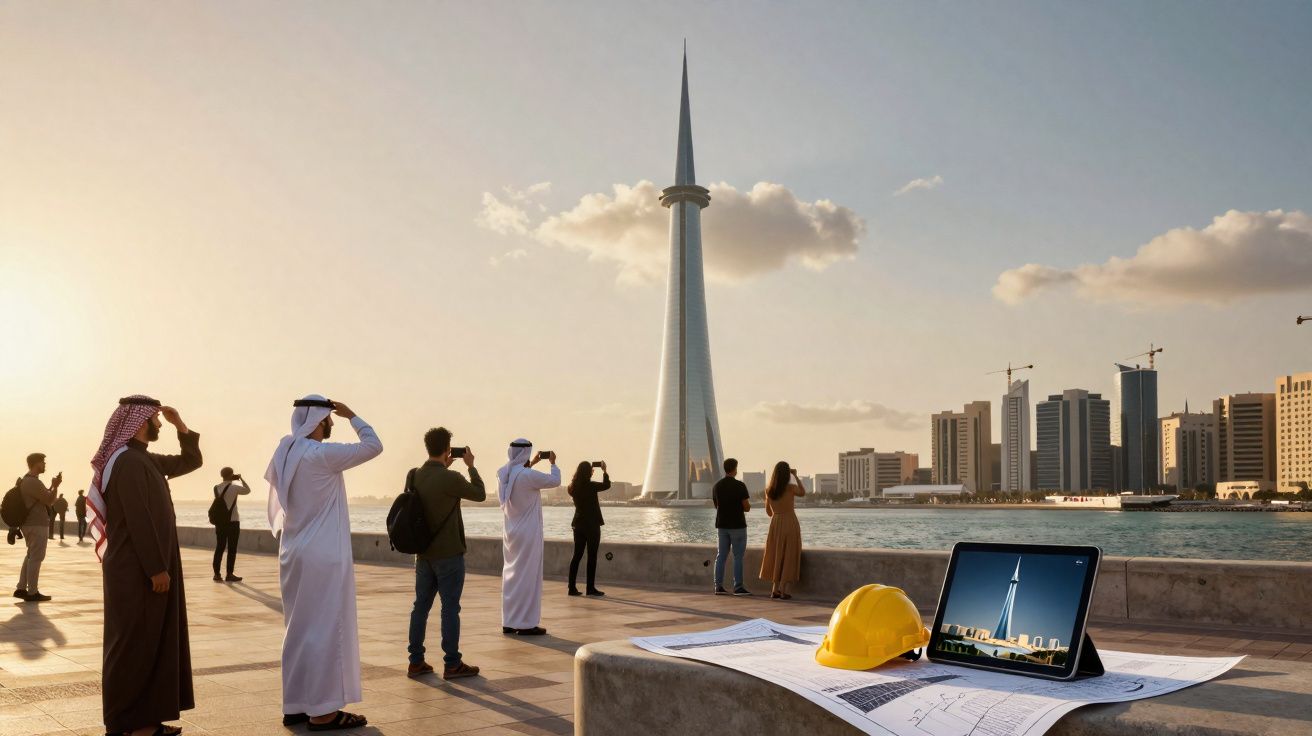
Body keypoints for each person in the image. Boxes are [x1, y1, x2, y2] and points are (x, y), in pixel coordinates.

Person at [89, 396, 202, 736]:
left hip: (142, 569)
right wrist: (156, 568)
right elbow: (139, 519)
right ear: (139, 422)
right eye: (155, 419)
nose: (159, 424)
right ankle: (128, 724)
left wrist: (182, 427)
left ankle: (145, 721)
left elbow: (190, 461)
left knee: (150, 643)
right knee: (133, 646)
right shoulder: (128, 463)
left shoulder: (143, 459)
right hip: (136, 570)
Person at [266, 396, 381, 731]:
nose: (331, 422)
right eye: (329, 418)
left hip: (292, 553)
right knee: (325, 630)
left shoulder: (286, 451)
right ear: (318, 419)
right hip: (322, 556)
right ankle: (324, 712)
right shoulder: (320, 455)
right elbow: (373, 445)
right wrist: (353, 415)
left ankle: (296, 705)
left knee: (299, 630)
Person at [406, 427, 484, 680]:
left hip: (422, 554)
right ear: (448, 449)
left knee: (420, 607)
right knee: (450, 608)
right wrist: (471, 466)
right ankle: (452, 664)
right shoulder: (451, 479)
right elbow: (480, 494)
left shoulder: (415, 475)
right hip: (449, 553)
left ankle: (416, 661)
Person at [497, 439, 559, 636]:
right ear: (526, 452)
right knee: (528, 578)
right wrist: (553, 463)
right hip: (528, 534)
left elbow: (521, 474)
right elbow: (554, 480)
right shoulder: (528, 476)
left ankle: (509, 621)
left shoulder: (504, 474)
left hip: (511, 533)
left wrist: (531, 462)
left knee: (511, 577)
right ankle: (525, 623)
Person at [15, 452, 58, 602]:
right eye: (43, 462)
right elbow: (50, 500)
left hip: (29, 524)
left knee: (30, 556)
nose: (45, 465)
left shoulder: (26, 481)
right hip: (37, 524)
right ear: (36, 463)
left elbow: (42, 495)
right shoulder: (33, 482)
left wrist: (52, 486)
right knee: (37, 557)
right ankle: (32, 592)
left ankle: (21, 588)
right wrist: (56, 487)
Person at [759, 461, 805, 600]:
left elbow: (768, 512)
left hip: (775, 523)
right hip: (790, 521)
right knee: (788, 554)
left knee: (776, 554)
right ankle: (783, 591)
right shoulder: (790, 488)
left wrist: (777, 512)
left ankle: (774, 589)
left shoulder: (769, 490)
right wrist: (796, 476)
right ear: (787, 474)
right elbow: (802, 492)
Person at [566, 460, 610, 597]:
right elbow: (606, 485)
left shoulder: (572, 487)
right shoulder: (591, 486)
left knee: (576, 556)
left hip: (578, 524)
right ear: (588, 472)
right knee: (592, 557)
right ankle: (590, 588)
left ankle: (571, 588)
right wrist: (604, 471)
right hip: (592, 526)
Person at [712, 458, 752, 596]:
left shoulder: (717, 486)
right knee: (738, 557)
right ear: (735, 469)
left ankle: (718, 587)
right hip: (738, 526)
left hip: (722, 526)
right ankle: (738, 587)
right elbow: (747, 507)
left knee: (721, 556)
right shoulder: (740, 486)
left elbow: (716, 506)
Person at [211, 467, 251, 582]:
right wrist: (241, 479)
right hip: (233, 521)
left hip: (220, 522)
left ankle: (217, 574)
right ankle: (229, 574)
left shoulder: (216, 488)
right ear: (231, 475)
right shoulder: (234, 487)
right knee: (232, 549)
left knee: (219, 547)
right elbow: (248, 490)